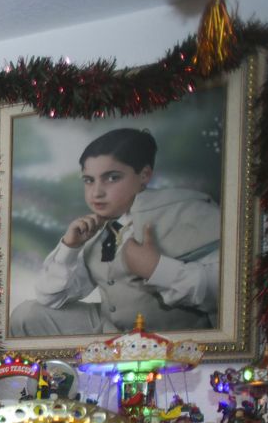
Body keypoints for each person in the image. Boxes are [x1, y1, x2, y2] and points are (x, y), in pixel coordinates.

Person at [12, 128, 221, 337]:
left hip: (173, 339)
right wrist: (70, 248)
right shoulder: (98, 230)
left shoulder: (183, 212)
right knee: (27, 315)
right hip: (113, 333)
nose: (97, 192)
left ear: (145, 175)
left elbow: (227, 293)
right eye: (89, 180)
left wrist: (157, 269)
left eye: (112, 178)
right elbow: (51, 298)